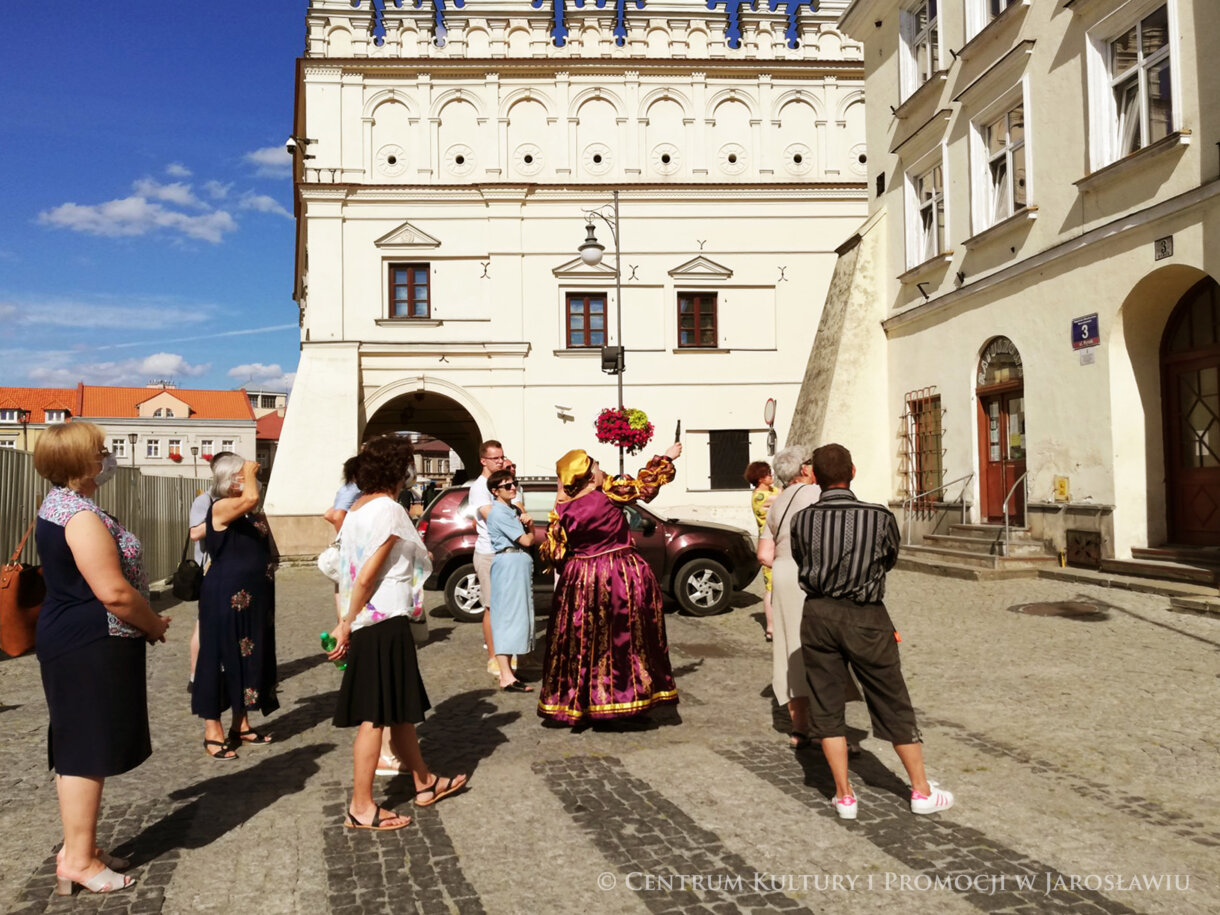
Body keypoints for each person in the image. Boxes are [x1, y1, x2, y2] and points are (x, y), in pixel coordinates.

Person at [33, 422, 171, 895]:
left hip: (81, 637)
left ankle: (83, 847)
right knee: (85, 750)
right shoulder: (78, 514)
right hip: (88, 641)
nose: (106, 457)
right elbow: (112, 592)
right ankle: (77, 860)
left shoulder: (65, 506)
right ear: (80, 462)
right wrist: (152, 623)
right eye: (100, 451)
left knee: (83, 746)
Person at [790, 443, 953, 820]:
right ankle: (921, 790)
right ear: (853, 471)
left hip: (817, 613)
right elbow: (889, 559)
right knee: (891, 696)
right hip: (866, 615)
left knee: (826, 703)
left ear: (814, 477)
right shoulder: (878, 517)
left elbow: (801, 558)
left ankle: (844, 796)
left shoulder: (802, 520)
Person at [327, 435, 468, 830]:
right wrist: (345, 624)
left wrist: (345, 618)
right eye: (407, 465)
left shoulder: (356, 509)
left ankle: (425, 782)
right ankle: (361, 806)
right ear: (397, 470)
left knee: (399, 712)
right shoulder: (389, 509)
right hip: (380, 619)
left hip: (370, 620)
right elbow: (367, 574)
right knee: (374, 717)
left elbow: (342, 568)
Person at [537, 443, 682, 726]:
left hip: (579, 579)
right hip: (618, 576)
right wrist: (666, 457)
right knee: (623, 639)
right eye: (597, 467)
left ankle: (580, 701)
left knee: (583, 642)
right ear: (590, 476)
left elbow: (554, 555)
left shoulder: (562, 509)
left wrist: (560, 498)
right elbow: (646, 486)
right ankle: (622, 704)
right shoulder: (610, 492)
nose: (602, 470)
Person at [192, 455, 279, 759]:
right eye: (243, 475)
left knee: (250, 655)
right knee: (219, 657)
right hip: (226, 596)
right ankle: (212, 729)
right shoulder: (220, 506)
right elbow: (252, 496)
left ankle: (240, 724)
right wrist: (251, 472)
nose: (249, 479)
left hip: (256, 599)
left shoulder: (248, 513)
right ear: (231, 479)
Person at [756, 447, 822, 747]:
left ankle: (800, 728)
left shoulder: (776, 501)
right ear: (803, 469)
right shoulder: (815, 494)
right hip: (808, 573)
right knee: (821, 648)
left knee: (788, 647)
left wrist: (784, 562)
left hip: (782, 573)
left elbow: (763, 555)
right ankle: (827, 728)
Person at [186, 451, 237, 694]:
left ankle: (224, 671)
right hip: (210, 570)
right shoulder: (204, 500)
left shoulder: (236, 501)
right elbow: (195, 532)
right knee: (203, 626)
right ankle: (196, 676)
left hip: (230, 571)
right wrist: (224, 518)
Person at [485, 469, 534, 692]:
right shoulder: (499, 513)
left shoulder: (511, 509)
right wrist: (531, 526)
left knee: (516, 616)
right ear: (495, 491)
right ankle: (505, 675)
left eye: (514, 483)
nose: (513, 487)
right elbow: (526, 540)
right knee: (507, 616)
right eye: (507, 486)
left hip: (515, 563)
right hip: (509, 562)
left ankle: (509, 671)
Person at [468, 440, 506, 677]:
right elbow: (490, 517)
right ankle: (493, 656)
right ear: (484, 461)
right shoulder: (480, 487)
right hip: (488, 552)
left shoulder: (498, 485)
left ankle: (505, 655)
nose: (501, 461)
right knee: (491, 606)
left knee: (504, 607)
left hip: (502, 551)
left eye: (502, 457)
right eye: (496, 458)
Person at [324, 455, 362, 625]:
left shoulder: (344, 488)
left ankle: (342, 622)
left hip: (346, 545)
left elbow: (329, 513)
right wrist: (346, 536)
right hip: (351, 546)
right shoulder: (354, 489)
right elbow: (337, 515)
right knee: (350, 586)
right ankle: (346, 624)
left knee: (341, 587)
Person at [746, 460, 780, 642]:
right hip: (769, 545)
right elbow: (783, 496)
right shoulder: (759, 496)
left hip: (778, 543)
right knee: (770, 588)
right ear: (759, 478)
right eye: (767, 474)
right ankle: (771, 627)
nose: (771, 476)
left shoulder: (772, 490)